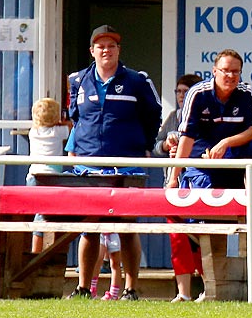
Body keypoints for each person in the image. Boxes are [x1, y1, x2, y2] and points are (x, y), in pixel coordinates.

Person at [66, 25, 162, 301]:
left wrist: (144, 146)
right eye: (101, 46)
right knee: (89, 226)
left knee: (127, 226)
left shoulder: (137, 80)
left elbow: (153, 114)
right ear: (92, 51)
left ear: (119, 50)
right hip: (88, 164)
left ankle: (130, 289)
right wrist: (74, 151)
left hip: (127, 164)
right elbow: (76, 118)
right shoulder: (78, 81)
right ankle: (84, 287)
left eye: (112, 46)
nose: (106, 50)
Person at [166, 50, 252, 302]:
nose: (231, 76)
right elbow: (186, 139)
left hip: (234, 158)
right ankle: (202, 288)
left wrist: (226, 142)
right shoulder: (198, 94)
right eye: (226, 70)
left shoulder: (246, 95)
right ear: (214, 71)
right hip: (202, 161)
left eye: (236, 71)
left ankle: (251, 205)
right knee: (197, 221)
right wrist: (173, 177)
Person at [16, 97, 69, 254]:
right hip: (51, 178)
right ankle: (37, 251)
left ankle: (38, 250)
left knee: (40, 212)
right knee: (43, 216)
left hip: (33, 177)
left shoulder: (34, 132)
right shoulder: (59, 132)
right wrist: (63, 122)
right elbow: (71, 127)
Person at [154, 74, 202, 157]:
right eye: (178, 91)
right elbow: (155, 145)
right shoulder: (173, 116)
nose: (181, 95)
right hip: (175, 167)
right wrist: (166, 145)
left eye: (186, 91)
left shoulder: (206, 117)